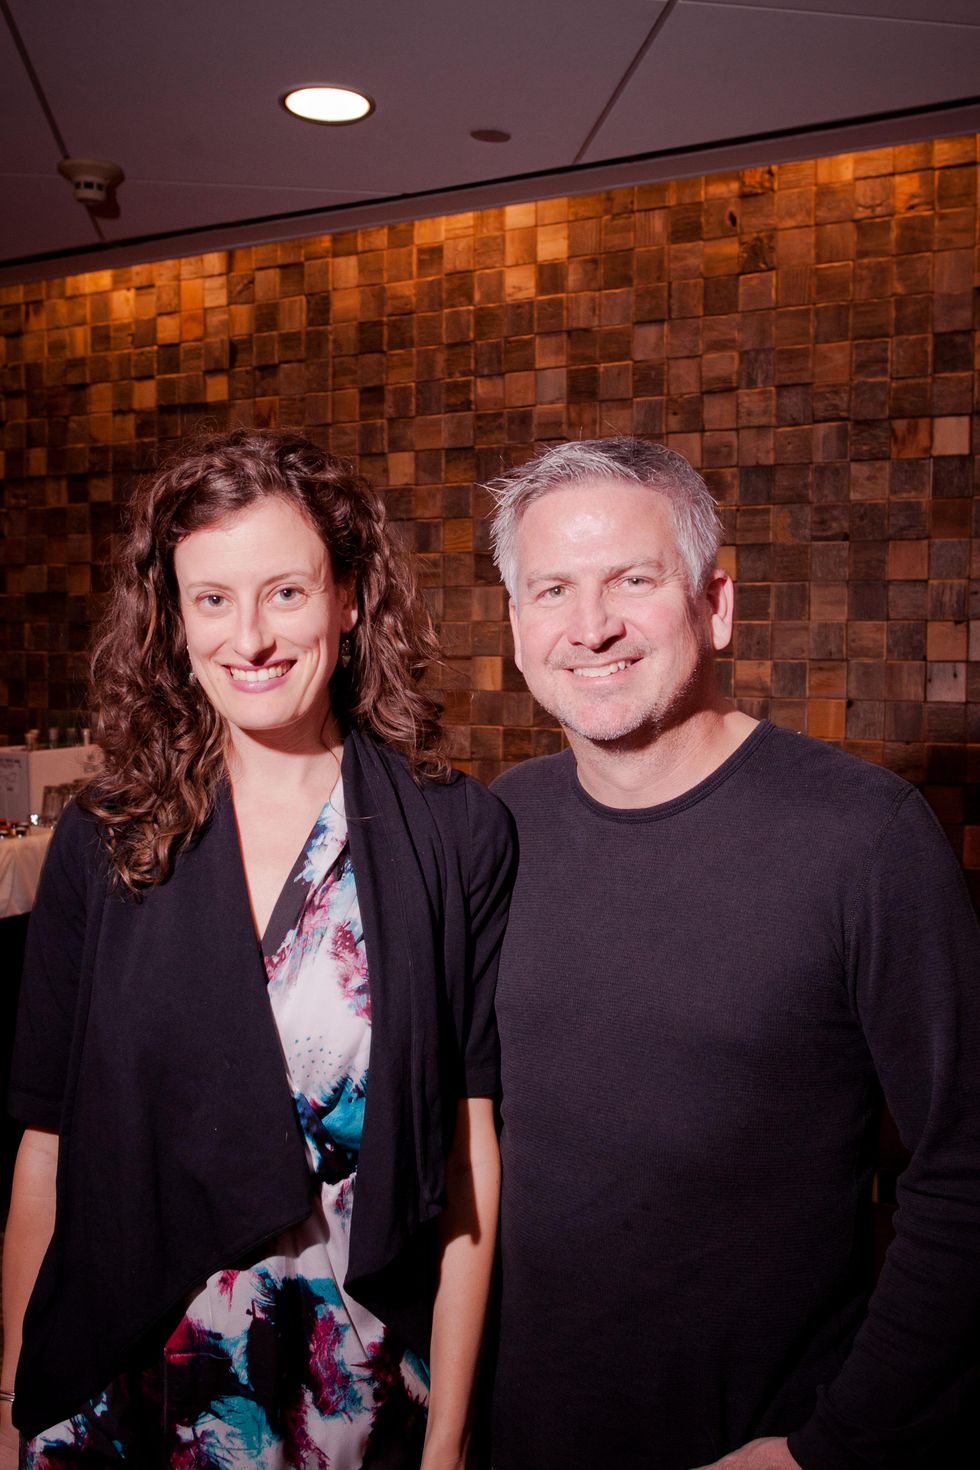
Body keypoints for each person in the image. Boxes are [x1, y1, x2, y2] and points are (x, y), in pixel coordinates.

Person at [1, 428, 514, 1470]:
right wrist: (10, 1397)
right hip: (125, 1376)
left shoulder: (452, 833)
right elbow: (46, 1152)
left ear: (349, 597)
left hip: (346, 1394)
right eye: (213, 599)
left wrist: (451, 1439)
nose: (252, 638)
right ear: (174, 621)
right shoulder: (106, 838)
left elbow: (466, 1158)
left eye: (285, 592)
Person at [485, 436, 980, 1470]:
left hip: (763, 1440)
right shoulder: (495, 829)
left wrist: (828, 1447)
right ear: (516, 628)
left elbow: (965, 1168)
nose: (591, 627)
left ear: (713, 604)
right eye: (551, 591)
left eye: (632, 580)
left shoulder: (864, 839)